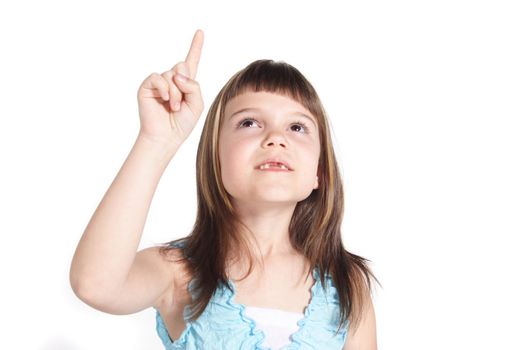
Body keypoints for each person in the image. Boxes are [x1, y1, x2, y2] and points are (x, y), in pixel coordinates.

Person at [69, 29, 380, 349]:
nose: (276, 137)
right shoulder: (177, 271)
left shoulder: (348, 286)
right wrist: (155, 140)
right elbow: (94, 285)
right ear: (215, 158)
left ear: (319, 173)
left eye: (297, 127)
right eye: (249, 123)